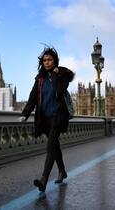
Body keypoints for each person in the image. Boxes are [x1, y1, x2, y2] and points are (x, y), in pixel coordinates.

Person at [20, 47, 75, 192]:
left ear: (55, 61)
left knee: (50, 146)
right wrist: (25, 114)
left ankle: (43, 180)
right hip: (44, 118)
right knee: (54, 146)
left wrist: (55, 75)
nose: (47, 62)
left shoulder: (63, 75)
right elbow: (33, 97)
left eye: (49, 60)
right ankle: (62, 170)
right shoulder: (40, 79)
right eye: (44, 60)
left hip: (58, 116)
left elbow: (59, 90)